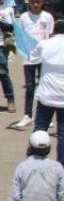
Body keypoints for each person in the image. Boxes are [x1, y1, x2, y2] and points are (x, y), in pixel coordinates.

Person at [18, 0, 55, 129]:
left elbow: (50, 36)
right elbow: (20, 36)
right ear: (29, 1)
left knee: (44, 86)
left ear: (42, 2)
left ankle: (45, 116)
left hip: (44, 57)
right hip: (29, 57)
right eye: (32, 1)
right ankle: (28, 115)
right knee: (30, 86)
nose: (35, 4)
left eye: (38, 2)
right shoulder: (24, 17)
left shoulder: (47, 17)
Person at [31, 18, 64, 161]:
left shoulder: (45, 44)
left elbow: (32, 58)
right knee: (62, 135)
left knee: (40, 129)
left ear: (54, 31)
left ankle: (35, 162)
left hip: (47, 95)